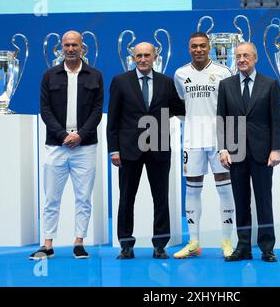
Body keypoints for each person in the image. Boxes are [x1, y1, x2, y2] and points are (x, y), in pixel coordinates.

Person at [30, 30, 104, 260]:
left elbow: (97, 110)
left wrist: (80, 135)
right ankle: (47, 244)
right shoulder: (49, 75)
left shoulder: (95, 75)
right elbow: (45, 110)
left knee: (83, 197)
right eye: (67, 45)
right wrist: (63, 135)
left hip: (85, 146)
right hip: (56, 145)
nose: (70, 48)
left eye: (75, 45)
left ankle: (79, 242)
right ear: (61, 47)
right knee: (51, 197)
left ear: (83, 47)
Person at [107, 42, 185, 259]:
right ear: (133, 58)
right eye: (138, 55)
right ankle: (126, 245)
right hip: (129, 149)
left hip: (159, 147)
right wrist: (114, 149)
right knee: (126, 199)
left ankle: (160, 245)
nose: (142, 59)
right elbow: (112, 118)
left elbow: (180, 109)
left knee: (161, 198)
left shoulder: (167, 82)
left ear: (155, 57)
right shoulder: (120, 81)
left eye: (146, 55)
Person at [217, 42, 280, 262]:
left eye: (246, 55)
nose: (241, 59)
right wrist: (223, 149)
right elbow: (222, 120)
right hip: (235, 153)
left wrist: (276, 149)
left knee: (264, 201)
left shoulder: (270, 84)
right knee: (241, 202)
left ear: (255, 58)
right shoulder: (226, 85)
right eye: (238, 56)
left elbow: (275, 119)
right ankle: (243, 246)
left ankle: (267, 247)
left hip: (263, 153)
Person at [173, 32, 235, 259]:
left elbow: (231, 105)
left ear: (209, 48)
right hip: (192, 139)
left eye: (202, 46)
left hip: (219, 140)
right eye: (193, 46)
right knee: (192, 188)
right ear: (188, 48)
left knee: (225, 188)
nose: (198, 50)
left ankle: (227, 240)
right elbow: (181, 104)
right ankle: (194, 242)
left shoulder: (224, 72)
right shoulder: (180, 74)